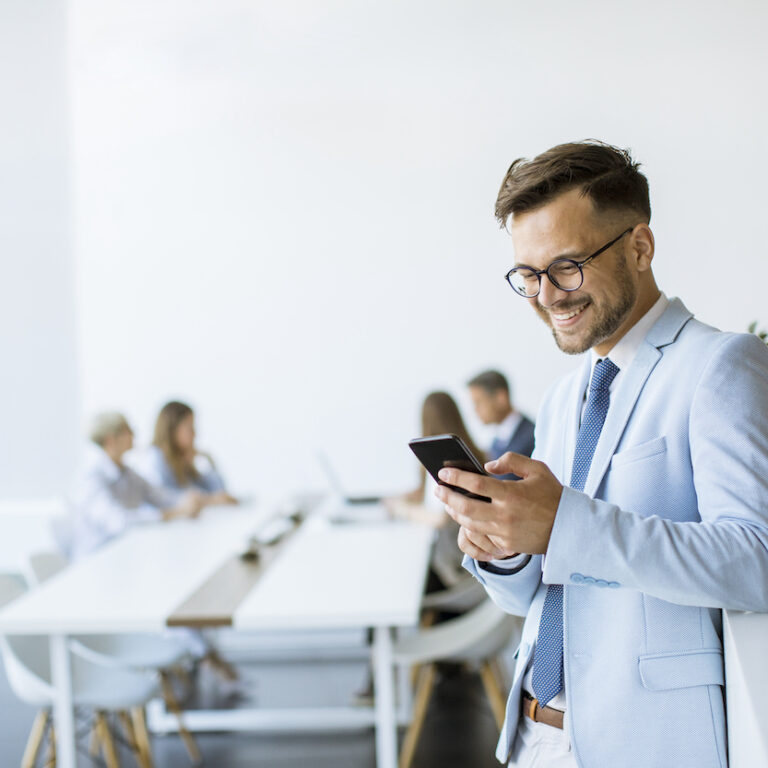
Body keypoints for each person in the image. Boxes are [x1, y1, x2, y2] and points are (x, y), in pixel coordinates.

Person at [434, 140, 768, 768]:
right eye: (528, 275)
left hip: (648, 744)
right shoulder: (565, 399)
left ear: (639, 247)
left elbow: (758, 559)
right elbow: (535, 593)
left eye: (567, 266)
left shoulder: (721, 367)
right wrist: (503, 546)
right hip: (534, 735)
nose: (547, 295)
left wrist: (564, 522)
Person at [69, 412, 203, 559]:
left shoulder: (127, 472)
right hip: (96, 559)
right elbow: (119, 522)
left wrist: (190, 500)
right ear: (110, 440)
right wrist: (172, 514)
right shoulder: (91, 478)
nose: (134, 434)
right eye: (128, 431)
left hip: (124, 553)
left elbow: (159, 496)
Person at [389, 391, 487, 590]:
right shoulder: (462, 455)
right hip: (445, 553)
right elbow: (430, 495)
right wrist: (405, 498)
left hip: (452, 565)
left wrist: (404, 510)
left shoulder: (450, 464)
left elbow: (442, 518)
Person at [134, 401, 238, 508]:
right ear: (173, 430)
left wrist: (208, 460)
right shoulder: (155, 459)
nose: (194, 433)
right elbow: (167, 500)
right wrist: (211, 500)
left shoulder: (182, 458)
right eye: (189, 427)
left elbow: (219, 491)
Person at [467, 370, 535, 479]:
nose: (475, 410)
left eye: (478, 402)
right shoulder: (495, 442)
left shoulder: (532, 437)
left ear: (501, 397)